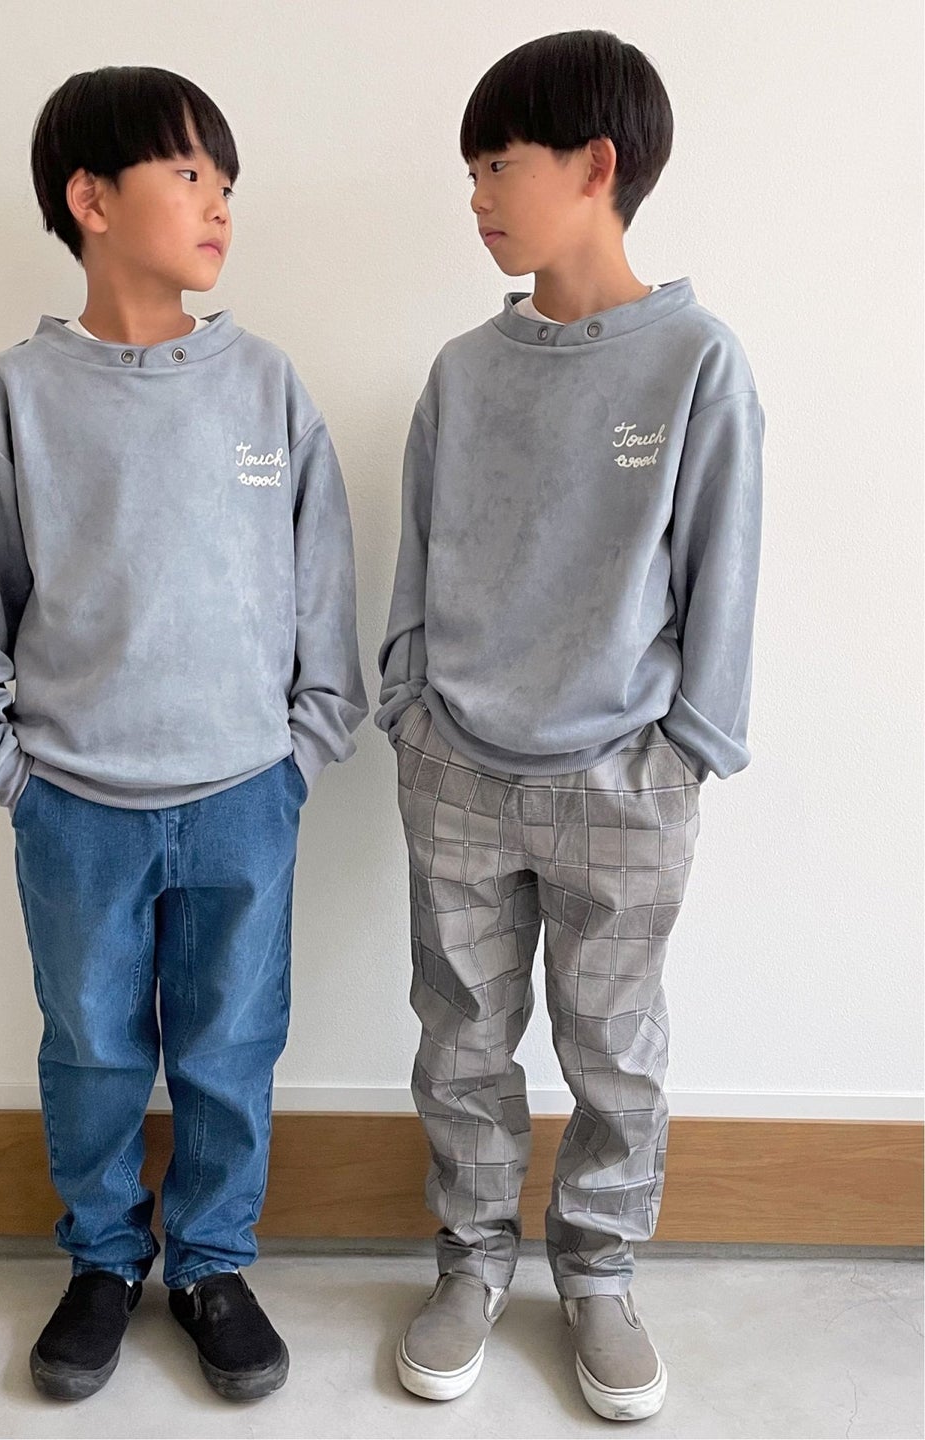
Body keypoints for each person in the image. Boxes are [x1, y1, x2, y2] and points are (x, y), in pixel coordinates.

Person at [0, 65, 366, 1404]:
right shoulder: (15, 397)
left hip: (245, 796)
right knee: (94, 1049)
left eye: (227, 183)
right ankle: (104, 1259)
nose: (219, 204)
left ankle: (213, 1262)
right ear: (91, 199)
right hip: (73, 804)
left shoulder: (266, 385)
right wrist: (5, 772)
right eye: (188, 174)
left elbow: (323, 583)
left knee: (232, 1047)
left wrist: (304, 748)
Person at [376, 29, 764, 1421]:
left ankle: (598, 1272)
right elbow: (419, 551)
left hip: (627, 780)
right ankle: (470, 1261)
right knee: (461, 1040)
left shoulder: (697, 362)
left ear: (597, 166)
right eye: (471, 167)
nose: (477, 193)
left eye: (500, 163)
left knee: (616, 1049)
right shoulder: (463, 370)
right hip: (458, 771)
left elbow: (724, 574)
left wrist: (688, 749)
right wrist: (406, 702)